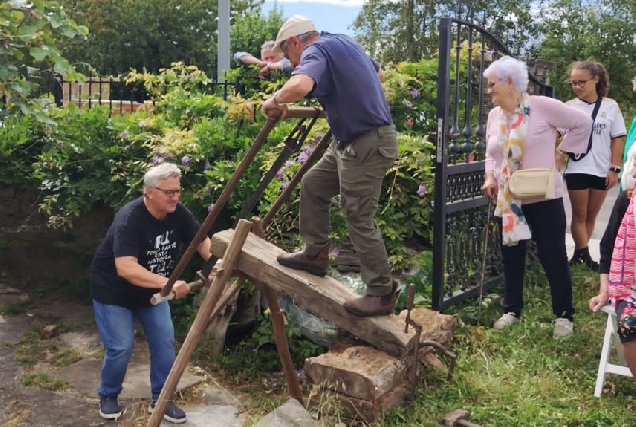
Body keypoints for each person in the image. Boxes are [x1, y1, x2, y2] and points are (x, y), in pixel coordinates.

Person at [260, 15, 396, 317]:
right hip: (350, 140)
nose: (293, 63)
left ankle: (381, 293)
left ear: (295, 41)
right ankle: (315, 253)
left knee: (358, 215)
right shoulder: (344, 42)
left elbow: (300, 84)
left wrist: (274, 100)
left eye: (289, 55)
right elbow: (380, 74)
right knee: (313, 184)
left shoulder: (315, 51)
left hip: (367, 142)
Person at [90, 163, 211, 424]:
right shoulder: (130, 218)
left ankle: (162, 400)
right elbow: (125, 268)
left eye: (177, 191)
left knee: (165, 342)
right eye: (168, 192)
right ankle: (108, 395)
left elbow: (200, 238)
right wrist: (167, 282)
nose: (175, 197)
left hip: (153, 293)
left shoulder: (178, 212)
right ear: (149, 192)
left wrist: (215, 261)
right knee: (121, 346)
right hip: (114, 292)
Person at [481, 56, 593, 337]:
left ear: (509, 83)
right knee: (511, 255)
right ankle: (512, 310)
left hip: (543, 195)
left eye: (492, 85)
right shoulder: (495, 116)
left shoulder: (540, 106)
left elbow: (582, 123)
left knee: (553, 254)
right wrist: (490, 176)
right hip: (509, 199)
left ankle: (564, 315)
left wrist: (563, 151)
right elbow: (490, 154)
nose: (489, 90)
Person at [563, 61, 626, 270]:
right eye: (573, 83)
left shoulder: (610, 106)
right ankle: (585, 256)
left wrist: (614, 168)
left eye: (581, 82)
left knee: (591, 215)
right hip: (577, 167)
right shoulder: (569, 107)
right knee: (579, 215)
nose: (577, 87)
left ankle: (581, 255)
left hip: (601, 168)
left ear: (595, 80)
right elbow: (557, 134)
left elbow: (617, 138)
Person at [589, 150, 636, 377]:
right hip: (630, 289)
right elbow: (607, 248)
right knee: (629, 323)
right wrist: (604, 290)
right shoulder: (627, 200)